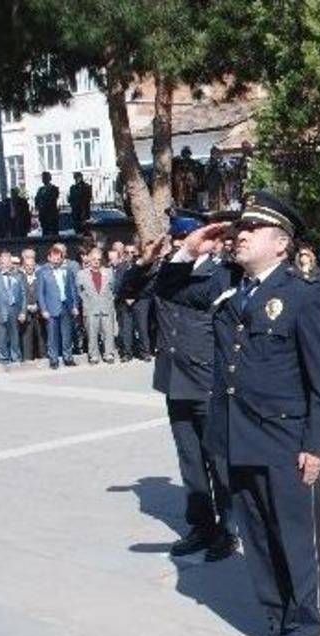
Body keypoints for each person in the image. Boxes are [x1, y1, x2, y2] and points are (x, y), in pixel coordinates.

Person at [169, 191, 320, 636]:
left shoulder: (304, 296)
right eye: (239, 228)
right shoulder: (229, 287)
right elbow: (170, 290)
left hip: (286, 445)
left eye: (252, 229)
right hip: (237, 439)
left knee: (295, 544)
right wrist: (189, 249)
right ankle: (273, 627)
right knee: (260, 543)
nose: (240, 235)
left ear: (281, 243)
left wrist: (317, 446)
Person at [119, 218, 238, 561]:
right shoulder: (165, 271)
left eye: (188, 236)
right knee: (190, 459)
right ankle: (201, 525)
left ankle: (228, 528)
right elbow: (126, 291)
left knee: (219, 460)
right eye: (178, 237)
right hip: (175, 379)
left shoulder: (221, 273)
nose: (181, 241)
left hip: (207, 378)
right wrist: (144, 262)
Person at [37, 243, 80, 370]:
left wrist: (75, 305)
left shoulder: (67, 271)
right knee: (52, 335)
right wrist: (43, 309)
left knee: (67, 334)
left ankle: (68, 358)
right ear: (49, 258)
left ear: (62, 259)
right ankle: (54, 359)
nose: (56, 261)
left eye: (58, 259)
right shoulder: (42, 273)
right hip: (51, 308)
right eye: (54, 258)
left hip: (66, 306)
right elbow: (40, 293)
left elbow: (72, 289)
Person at [76, 245, 116, 364]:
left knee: (108, 332)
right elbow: (80, 291)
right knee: (92, 333)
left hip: (106, 306)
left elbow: (113, 289)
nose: (96, 262)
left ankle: (109, 354)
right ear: (89, 259)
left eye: (99, 259)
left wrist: (108, 301)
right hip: (91, 307)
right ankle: (93, 355)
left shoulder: (108, 272)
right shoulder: (81, 274)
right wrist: (87, 302)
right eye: (94, 259)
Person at [0, 250, 27, 363]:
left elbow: (24, 295)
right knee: (1, 336)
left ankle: (15, 357)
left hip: (14, 310)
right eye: (2, 263)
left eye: (7, 263)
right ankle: (3, 357)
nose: (5, 265)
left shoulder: (19, 276)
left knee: (15, 335)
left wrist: (23, 312)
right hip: (0, 310)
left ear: (11, 263)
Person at [20, 248, 45, 360]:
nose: (29, 267)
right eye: (27, 265)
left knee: (41, 336)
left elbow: (44, 293)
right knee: (26, 337)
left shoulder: (40, 276)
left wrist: (38, 306)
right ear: (23, 266)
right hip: (26, 312)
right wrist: (26, 307)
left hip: (39, 311)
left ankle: (43, 357)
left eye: (32, 265)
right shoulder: (20, 277)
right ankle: (27, 358)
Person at [35, 172, 61, 237]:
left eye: (45, 177)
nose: (43, 179)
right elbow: (37, 199)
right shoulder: (40, 189)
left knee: (54, 233)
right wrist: (38, 206)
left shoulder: (54, 188)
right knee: (45, 232)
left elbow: (52, 199)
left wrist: (44, 204)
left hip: (51, 214)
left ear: (49, 178)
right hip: (43, 215)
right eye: (43, 178)